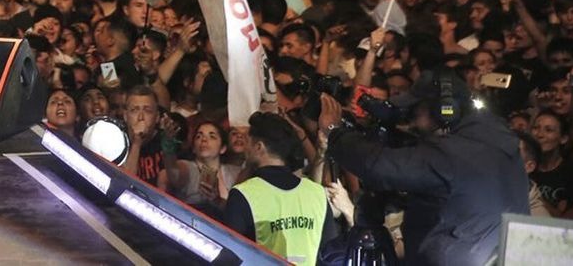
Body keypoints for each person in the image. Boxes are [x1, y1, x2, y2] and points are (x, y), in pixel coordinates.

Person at [322, 67, 530, 264]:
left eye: (415, 110)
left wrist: (334, 131)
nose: (411, 120)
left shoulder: (452, 152)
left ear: (443, 110)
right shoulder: (497, 138)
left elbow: (377, 166)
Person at [224, 111, 336, 264]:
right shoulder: (316, 193)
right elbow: (331, 254)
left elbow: (231, 254)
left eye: (248, 142)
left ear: (259, 147)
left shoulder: (243, 194)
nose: (245, 149)